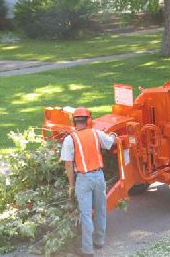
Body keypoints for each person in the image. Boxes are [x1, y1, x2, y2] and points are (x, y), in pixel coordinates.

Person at [61, 107, 117, 257]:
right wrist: (112, 134)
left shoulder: (69, 139)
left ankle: (87, 250)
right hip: (99, 177)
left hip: (83, 179)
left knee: (86, 214)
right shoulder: (97, 133)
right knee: (100, 210)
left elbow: (68, 164)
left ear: (74, 122)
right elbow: (111, 142)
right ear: (89, 121)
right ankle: (99, 242)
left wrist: (72, 184)